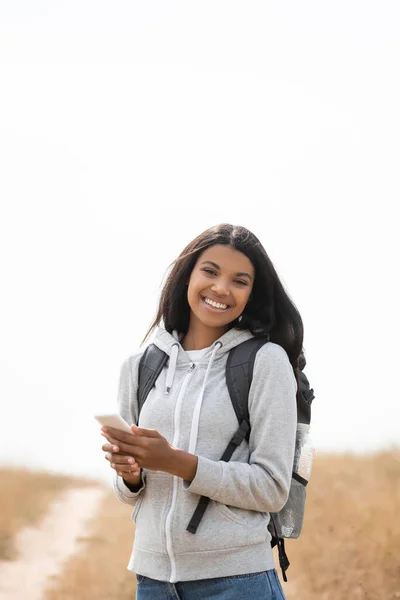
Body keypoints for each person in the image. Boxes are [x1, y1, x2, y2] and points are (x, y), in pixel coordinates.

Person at [101, 223, 303, 600]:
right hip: (152, 580)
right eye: (210, 271)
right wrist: (130, 476)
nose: (221, 288)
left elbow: (273, 488)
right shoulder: (140, 365)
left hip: (236, 581)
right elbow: (129, 494)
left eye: (239, 281)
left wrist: (179, 463)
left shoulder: (265, 361)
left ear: (252, 294)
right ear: (187, 275)